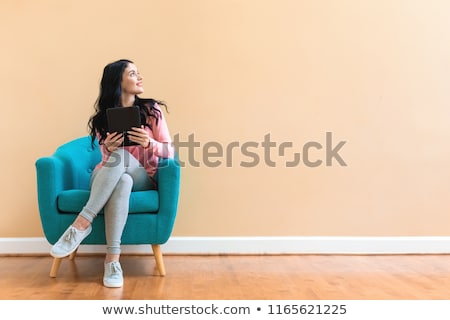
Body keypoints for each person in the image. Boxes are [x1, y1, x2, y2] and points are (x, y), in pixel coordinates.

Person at [50, 59, 174, 288]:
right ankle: (112, 261)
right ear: (118, 81)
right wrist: (108, 148)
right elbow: (106, 161)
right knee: (122, 179)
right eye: (133, 74)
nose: (140, 77)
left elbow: (170, 151)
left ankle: (80, 225)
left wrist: (149, 143)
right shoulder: (102, 118)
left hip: (143, 178)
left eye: (139, 73)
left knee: (125, 162)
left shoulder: (152, 110)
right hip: (108, 175)